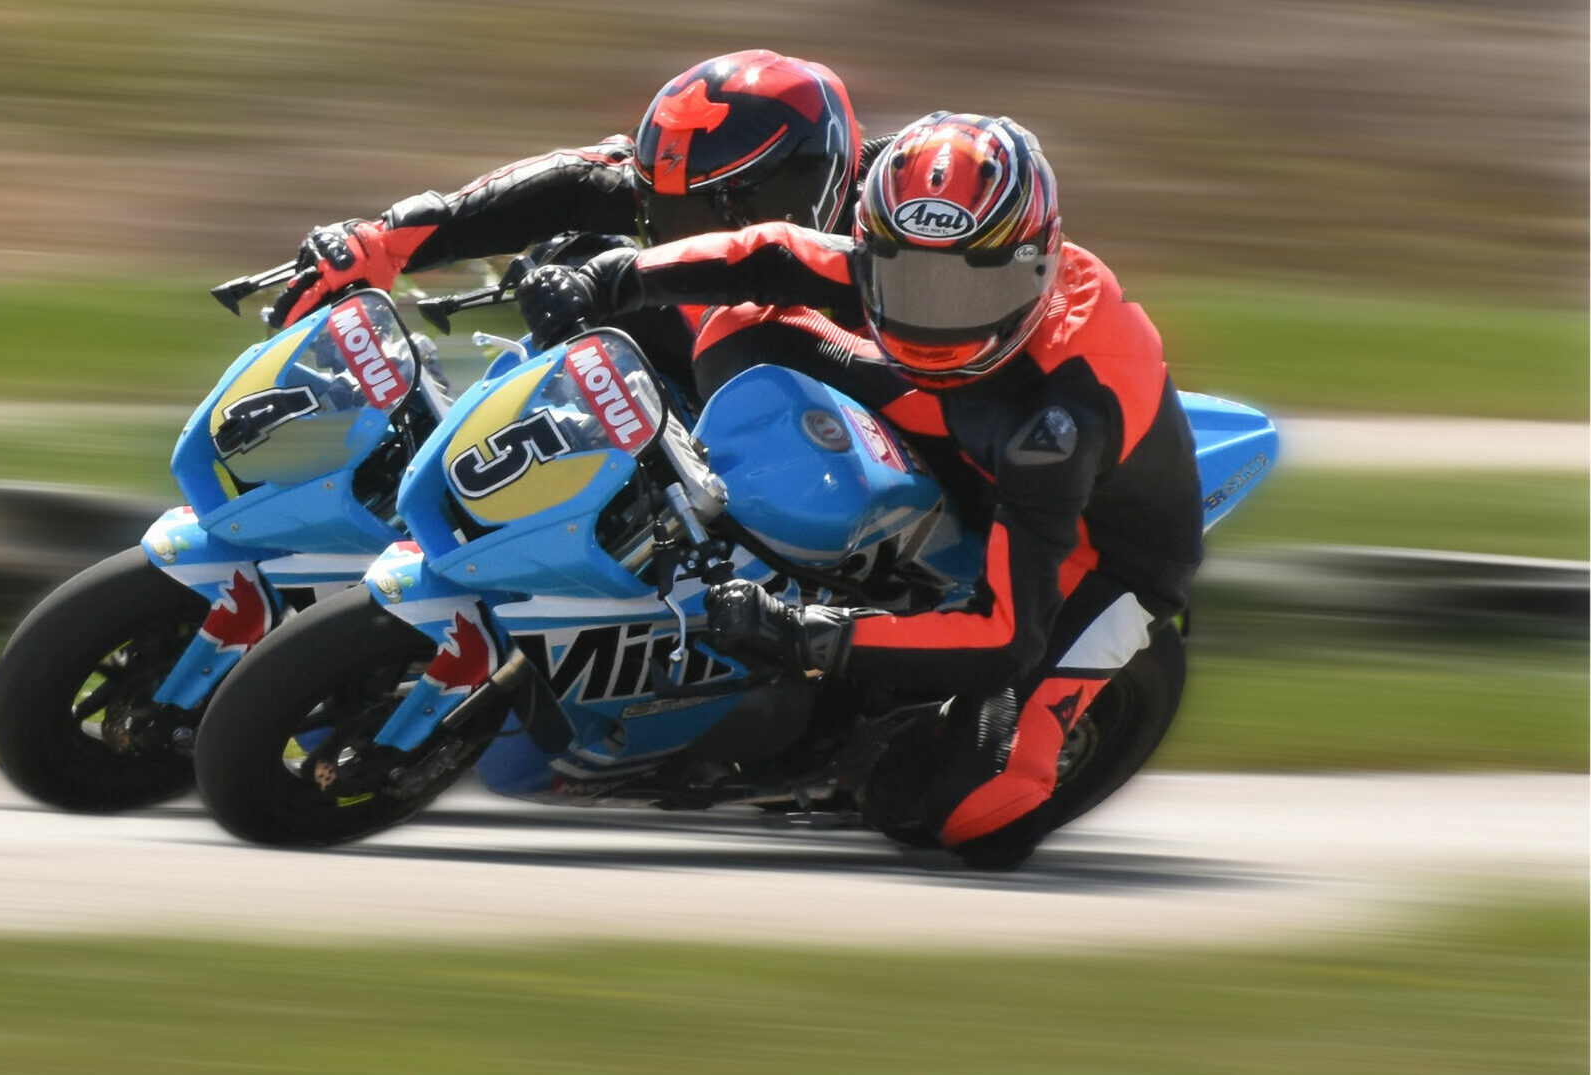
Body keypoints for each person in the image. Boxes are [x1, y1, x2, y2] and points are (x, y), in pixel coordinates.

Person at [514, 112, 1205, 869]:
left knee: (972, 816)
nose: (933, 315)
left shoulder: (1063, 420)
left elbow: (1005, 635)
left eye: (966, 289)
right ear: (871, 250)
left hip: (1088, 551)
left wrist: (803, 633)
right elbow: (770, 252)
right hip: (965, 416)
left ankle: (880, 721)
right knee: (744, 322)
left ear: (1038, 264)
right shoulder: (925, 262)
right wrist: (605, 280)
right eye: (908, 280)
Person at [264, 50, 875, 387]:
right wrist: (386, 241)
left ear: (806, 183)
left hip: (902, 488)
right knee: (576, 260)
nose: (689, 241)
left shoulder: (910, 216)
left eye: (706, 213)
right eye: (665, 211)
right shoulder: (673, 176)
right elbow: (574, 183)